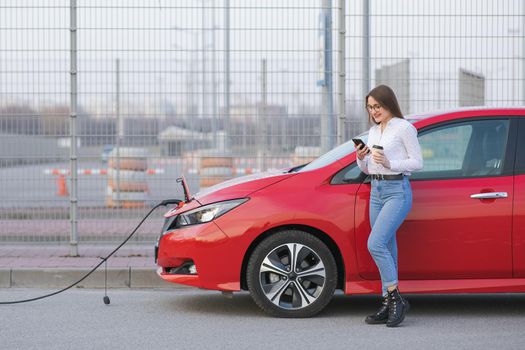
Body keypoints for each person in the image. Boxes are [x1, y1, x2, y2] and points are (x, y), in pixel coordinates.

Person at [355, 85, 423, 327]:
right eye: (370, 107)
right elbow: (369, 169)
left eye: (377, 106)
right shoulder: (373, 131)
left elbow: (417, 162)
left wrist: (390, 162)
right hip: (376, 190)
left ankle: (395, 299)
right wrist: (361, 158)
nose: (374, 111)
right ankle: (387, 301)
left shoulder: (404, 128)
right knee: (388, 247)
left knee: (375, 243)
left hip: (397, 191)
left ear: (388, 104)